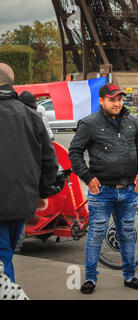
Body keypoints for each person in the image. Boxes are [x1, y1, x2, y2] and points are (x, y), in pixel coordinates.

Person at [69, 83, 138, 294]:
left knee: (127, 233)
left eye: (119, 99)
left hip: (129, 189)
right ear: (102, 100)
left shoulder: (132, 121)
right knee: (96, 234)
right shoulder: (89, 124)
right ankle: (90, 279)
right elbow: (74, 153)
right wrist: (88, 177)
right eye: (112, 99)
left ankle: (130, 276)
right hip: (102, 190)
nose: (117, 103)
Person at [0, 63, 58, 282]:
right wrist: (43, 192)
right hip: (23, 200)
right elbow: (49, 160)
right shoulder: (32, 116)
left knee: (3, 255)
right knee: (7, 253)